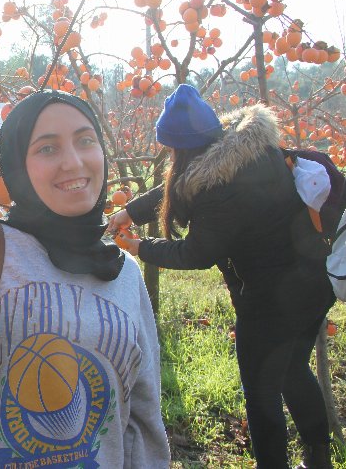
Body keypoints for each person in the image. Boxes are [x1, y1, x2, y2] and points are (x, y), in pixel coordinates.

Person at [0, 90, 170, 468]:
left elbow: (143, 415)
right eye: (47, 149)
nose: (73, 162)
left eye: (85, 140)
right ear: (17, 167)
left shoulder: (124, 271)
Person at [108, 84, 335, 468]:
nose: (171, 157)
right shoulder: (247, 150)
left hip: (271, 302)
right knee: (294, 368)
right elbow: (177, 187)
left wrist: (139, 247)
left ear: (181, 146)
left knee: (262, 395)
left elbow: (197, 253)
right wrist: (130, 211)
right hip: (313, 285)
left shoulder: (219, 188)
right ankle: (319, 458)